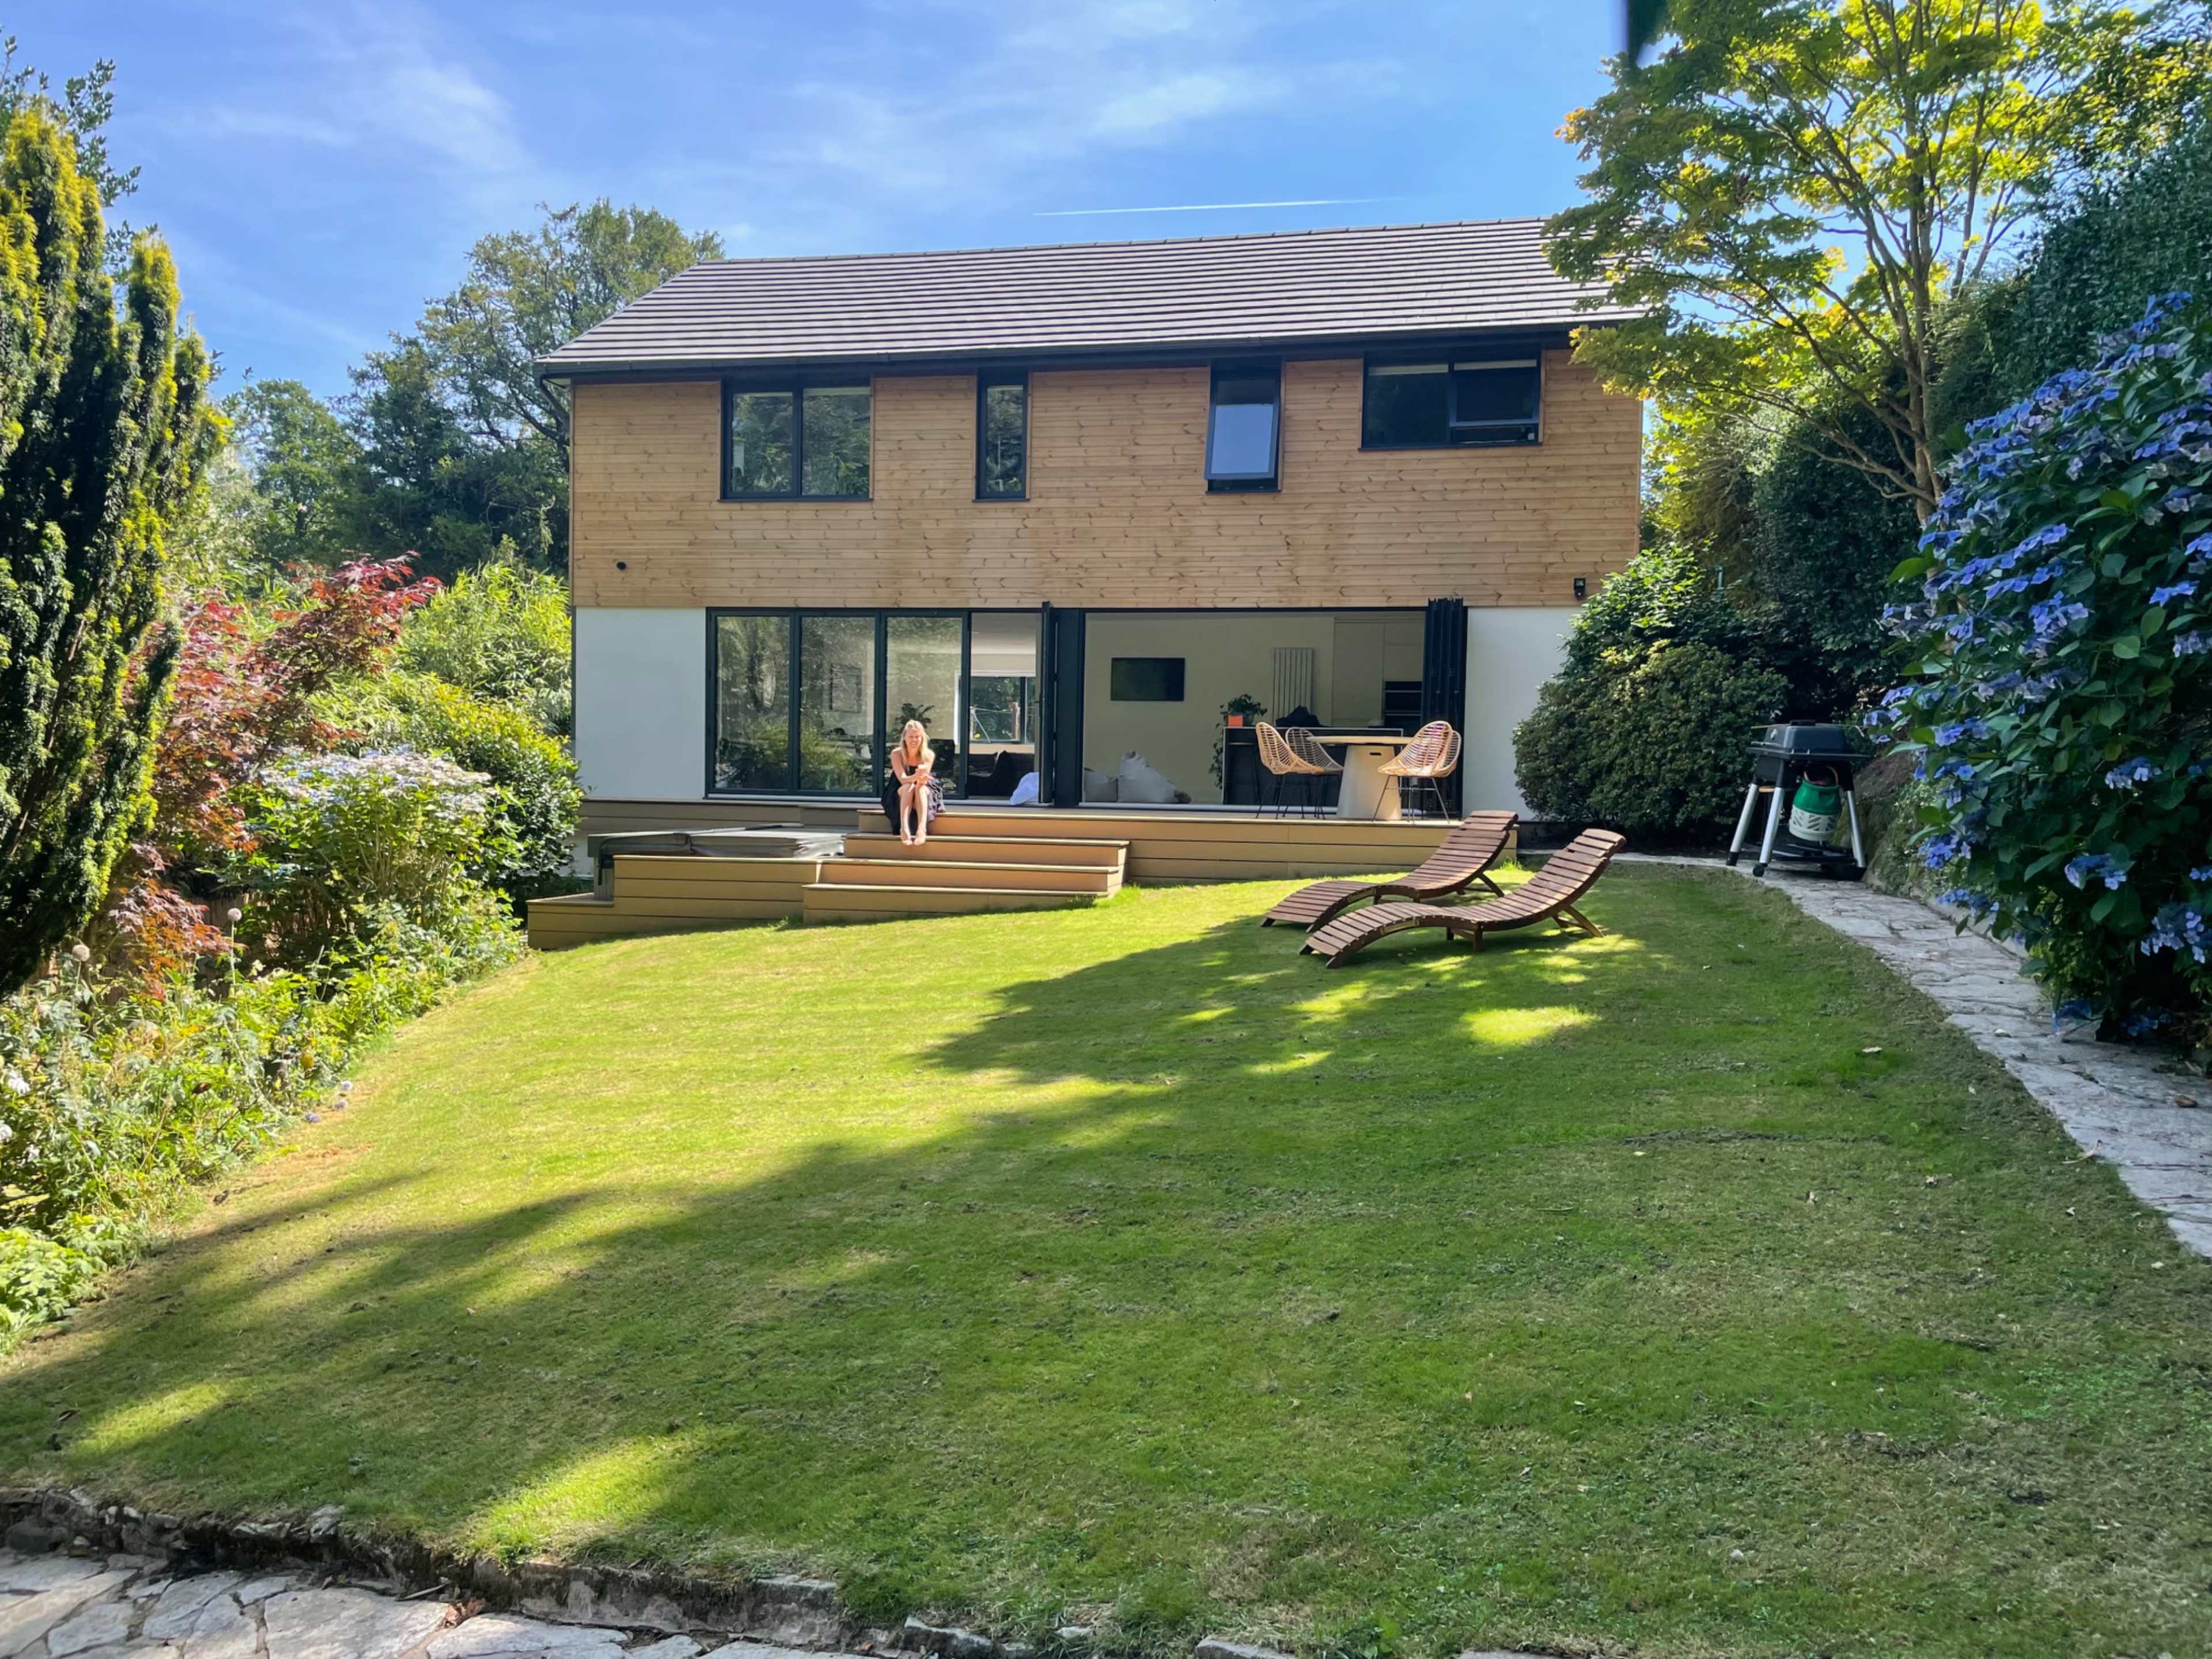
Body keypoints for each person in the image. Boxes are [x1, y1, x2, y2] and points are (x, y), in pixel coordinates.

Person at [886, 719, 944, 846]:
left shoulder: (928, 755)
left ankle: (922, 829)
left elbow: (922, 781)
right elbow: (902, 779)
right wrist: (915, 777)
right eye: (911, 736)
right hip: (900, 785)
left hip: (922, 785)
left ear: (922, 738)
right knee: (909, 786)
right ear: (905, 738)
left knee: (920, 788)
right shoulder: (897, 753)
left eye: (917, 737)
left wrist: (921, 779)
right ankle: (904, 828)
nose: (914, 740)